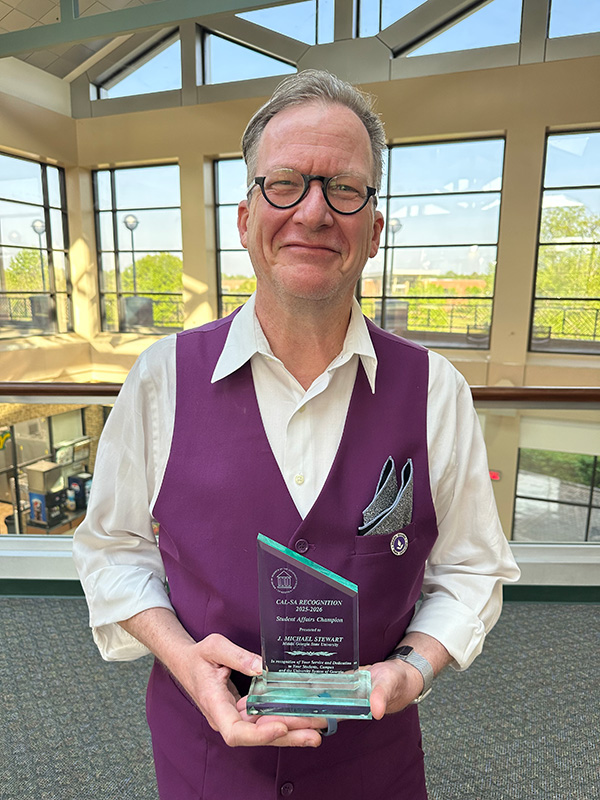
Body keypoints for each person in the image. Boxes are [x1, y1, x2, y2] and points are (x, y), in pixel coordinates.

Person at [73, 69, 520, 799]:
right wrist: (187, 661)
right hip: (207, 756)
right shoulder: (161, 379)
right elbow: (113, 550)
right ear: (245, 218)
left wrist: (414, 667)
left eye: (343, 188)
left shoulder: (436, 391)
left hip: (372, 765)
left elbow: (471, 568)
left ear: (374, 230)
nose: (313, 211)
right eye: (284, 183)